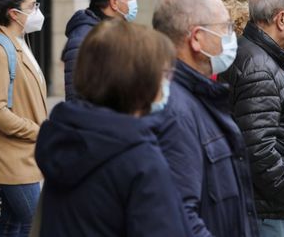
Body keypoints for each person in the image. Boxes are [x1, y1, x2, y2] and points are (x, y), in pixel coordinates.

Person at [34, 20, 191, 237]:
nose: (166, 83)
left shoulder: (64, 136)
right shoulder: (139, 158)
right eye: (163, 74)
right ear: (139, 79)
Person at [152, 0, 258, 237]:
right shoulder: (175, 111)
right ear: (197, 38)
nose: (232, 36)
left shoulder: (194, 96)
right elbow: (178, 218)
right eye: (225, 28)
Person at [221, 0, 284, 237]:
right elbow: (258, 150)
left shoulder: (257, 55)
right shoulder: (259, 67)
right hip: (266, 211)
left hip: (265, 207)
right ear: (281, 19)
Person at [0, 0, 47, 236]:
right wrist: (37, 130)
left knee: (13, 223)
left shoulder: (20, 43)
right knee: (33, 223)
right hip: (12, 157)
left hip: (23, 154)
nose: (38, 11)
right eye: (33, 6)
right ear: (14, 14)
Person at [62, 0, 137, 101]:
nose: (134, 3)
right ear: (114, 2)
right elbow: (75, 95)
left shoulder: (118, 30)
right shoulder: (83, 38)